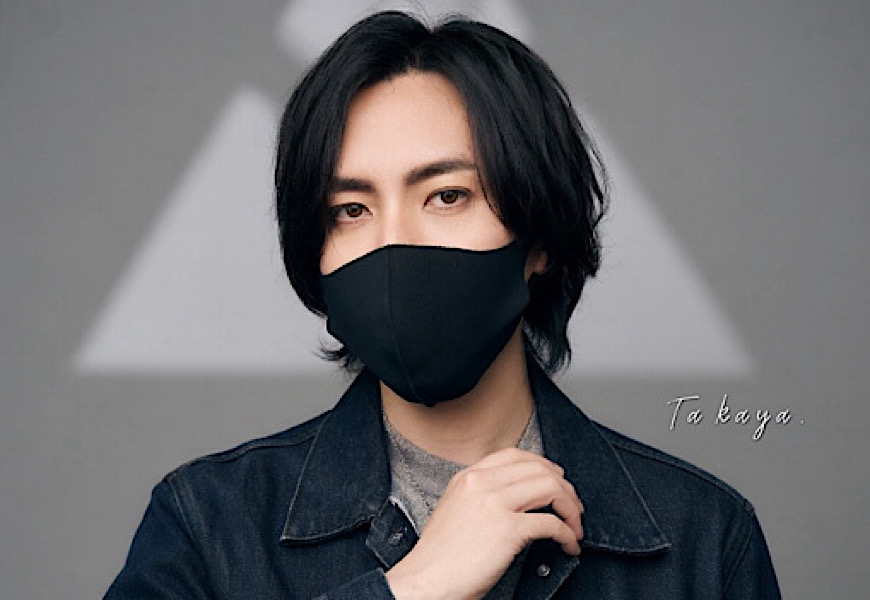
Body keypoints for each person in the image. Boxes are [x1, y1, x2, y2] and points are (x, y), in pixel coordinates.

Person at [104, 11, 781, 600]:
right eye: (351, 209)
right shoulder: (207, 526)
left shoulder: (704, 540)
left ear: (540, 237)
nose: (394, 243)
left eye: (447, 196)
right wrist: (414, 588)